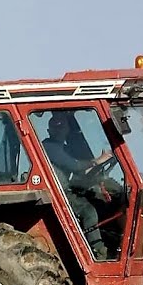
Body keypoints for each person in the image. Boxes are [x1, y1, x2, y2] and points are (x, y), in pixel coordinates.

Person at [41, 111, 114, 260]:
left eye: (62, 126)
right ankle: (98, 252)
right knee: (88, 211)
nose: (59, 129)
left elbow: (80, 167)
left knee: (100, 201)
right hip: (57, 193)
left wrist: (96, 168)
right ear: (49, 131)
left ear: (68, 129)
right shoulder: (49, 146)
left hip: (65, 189)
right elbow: (74, 166)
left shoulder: (65, 148)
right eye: (56, 126)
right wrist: (98, 160)